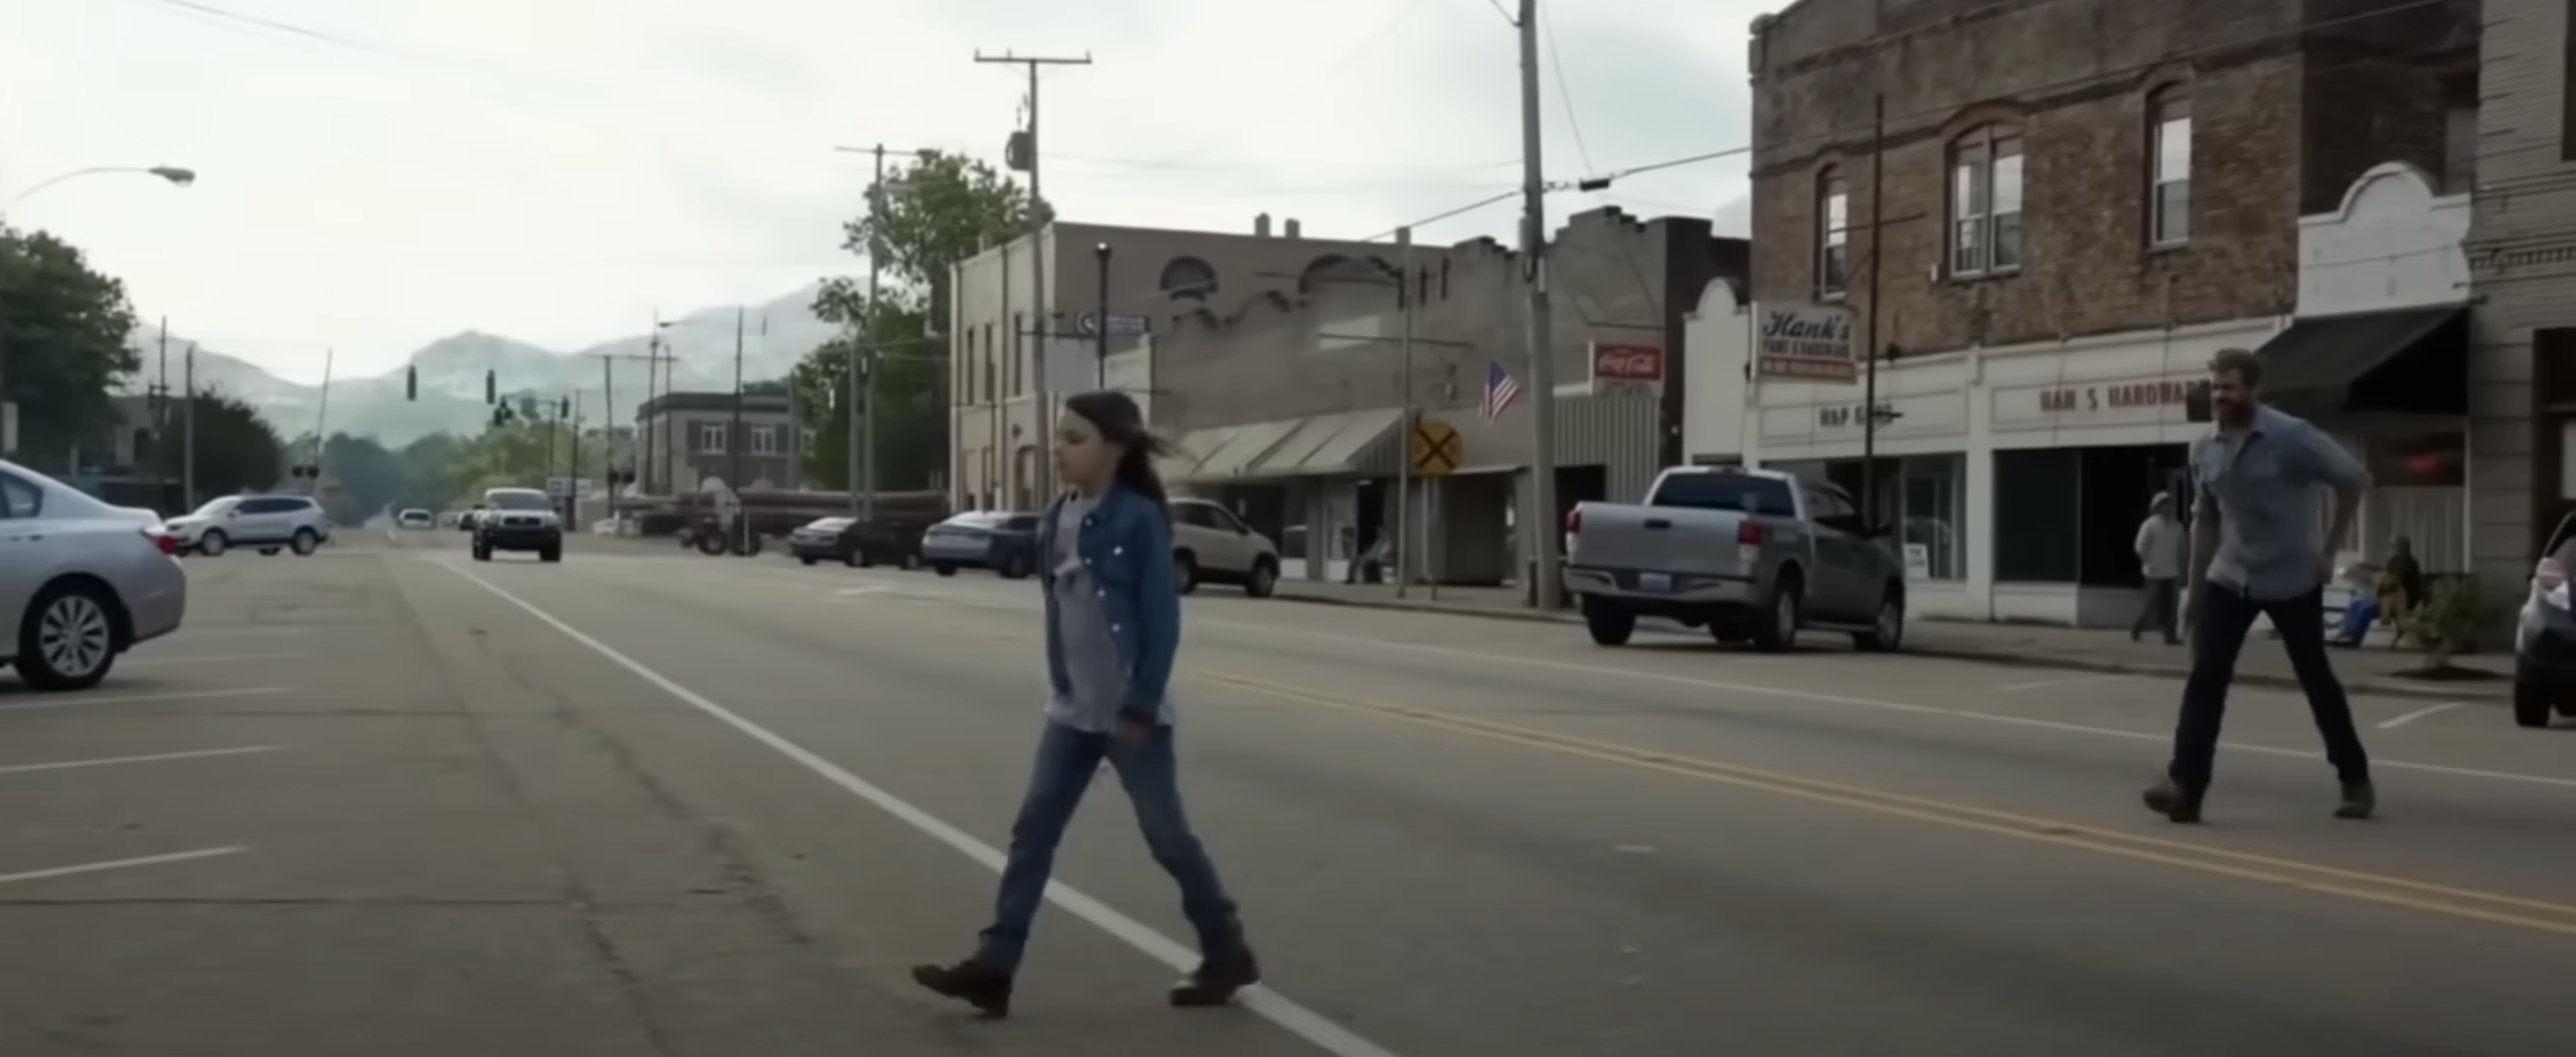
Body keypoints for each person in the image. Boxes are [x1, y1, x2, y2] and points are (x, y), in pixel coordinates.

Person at [912, 389, 1258, 1017]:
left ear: (1116, 447)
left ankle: (1226, 950)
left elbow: (1161, 624)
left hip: (1132, 715)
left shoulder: (1138, 519)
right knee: (1033, 832)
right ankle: (995, 967)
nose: (1059, 451)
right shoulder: (1057, 515)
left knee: (1167, 838)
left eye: (1075, 439)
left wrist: (1141, 705)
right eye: (1059, 438)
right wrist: (1062, 685)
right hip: (1071, 711)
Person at [2146, 348, 2376, 823]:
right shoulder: (2203, 448)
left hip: (2291, 579)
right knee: (2206, 678)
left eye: (2229, 388)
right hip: (2231, 576)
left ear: (2253, 389)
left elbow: (2354, 480)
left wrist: (2330, 550)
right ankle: (2186, 786)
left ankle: (2354, 778)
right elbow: (2206, 521)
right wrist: (2194, 594)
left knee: (2316, 680)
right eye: (2215, 388)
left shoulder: (2292, 437)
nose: (2220, 397)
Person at [2130, 492, 2185, 645]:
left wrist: (2182, 567)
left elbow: (2181, 549)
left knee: (2172, 605)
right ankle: (2138, 626)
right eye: (2165, 505)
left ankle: (2169, 635)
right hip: (2154, 573)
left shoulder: (2177, 527)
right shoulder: (2149, 525)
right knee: (2152, 604)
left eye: (2171, 505)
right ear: (2157, 507)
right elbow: (2140, 547)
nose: (2169, 508)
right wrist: (2148, 563)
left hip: (2172, 571)